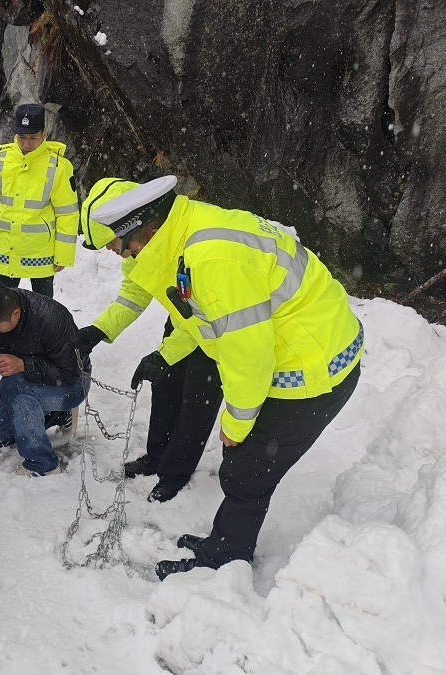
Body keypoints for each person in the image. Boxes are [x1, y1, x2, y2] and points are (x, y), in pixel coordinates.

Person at [86, 176, 363, 579]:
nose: (116, 252)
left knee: (247, 471)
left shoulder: (211, 259)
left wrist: (236, 422)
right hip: (307, 347)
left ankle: (222, 562)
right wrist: (165, 356)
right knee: (245, 466)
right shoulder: (185, 234)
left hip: (316, 367)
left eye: (118, 243)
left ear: (142, 230)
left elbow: (247, 355)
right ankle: (224, 545)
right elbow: (201, 317)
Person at [66, 177, 223, 503]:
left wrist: (165, 354)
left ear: (129, 227)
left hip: (218, 328)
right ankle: (156, 456)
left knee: (197, 401)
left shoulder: (191, 242)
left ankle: (176, 473)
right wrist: (99, 331)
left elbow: (210, 316)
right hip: (183, 319)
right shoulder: (140, 245)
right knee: (165, 386)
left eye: (112, 244)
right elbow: (133, 295)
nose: (118, 254)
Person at [0, 281, 90, 476]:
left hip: (73, 384)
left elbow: (70, 374)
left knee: (13, 385)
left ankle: (43, 464)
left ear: (16, 313)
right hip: (36, 381)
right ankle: (60, 415)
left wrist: (23, 365)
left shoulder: (52, 318)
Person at [0, 103, 79, 299]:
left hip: (41, 254)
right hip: (6, 249)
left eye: (33, 137)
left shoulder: (59, 166)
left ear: (44, 134)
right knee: (3, 307)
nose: (27, 144)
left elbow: (67, 213)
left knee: (44, 310)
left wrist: (64, 254)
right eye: (22, 137)